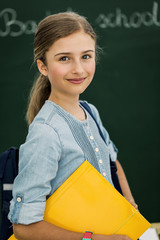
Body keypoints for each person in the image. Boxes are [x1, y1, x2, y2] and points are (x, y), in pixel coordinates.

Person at [8, 12, 138, 240]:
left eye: (86, 56)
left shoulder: (90, 111)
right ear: (43, 66)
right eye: (64, 58)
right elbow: (24, 228)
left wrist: (128, 204)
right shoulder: (46, 133)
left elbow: (111, 159)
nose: (79, 69)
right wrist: (95, 239)